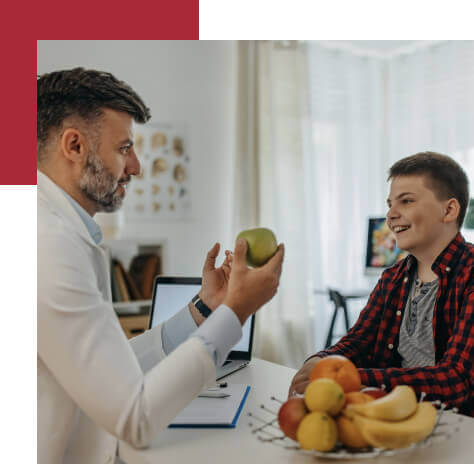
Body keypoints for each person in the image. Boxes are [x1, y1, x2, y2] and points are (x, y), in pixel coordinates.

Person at [37, 68, 285, 464]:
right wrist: (237, 310)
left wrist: (205, 309)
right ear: (74, 145)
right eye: (123, 149)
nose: (135, 166)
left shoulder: (53, 230)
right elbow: (135, 416)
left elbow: (108, 370)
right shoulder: (47, 245)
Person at [289, 152, 473, 416]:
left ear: (449, 210)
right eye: (389, 204)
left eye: (406, 201)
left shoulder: (470, 274)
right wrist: (322, 360)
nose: (390, 214)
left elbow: (457, 381)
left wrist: (350, 379)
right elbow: (358, 341)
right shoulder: (393, 278)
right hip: (391, 416)